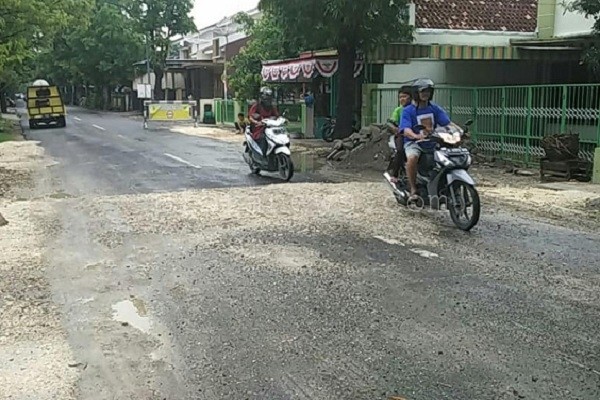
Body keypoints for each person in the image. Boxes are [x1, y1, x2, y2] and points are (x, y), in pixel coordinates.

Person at [400, 78, 453, 202]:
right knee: (412, 158)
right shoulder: (408, 111)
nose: (425, 94)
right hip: (414, 143)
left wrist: (459, 131)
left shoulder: (435, 108)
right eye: (423, 91)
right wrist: (415, 136)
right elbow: (406, 129)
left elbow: (447, 123)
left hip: (433, 142)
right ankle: (413, 189)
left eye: (428, 91)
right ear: (416, 94)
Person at [386, 85, 413, 183]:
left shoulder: (416, 109)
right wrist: (396, 129)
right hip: (402, 135)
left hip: (415, 135)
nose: (402, 99)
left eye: (404, 96)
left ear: (411, 97)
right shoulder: (398, 110)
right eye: (400, 97)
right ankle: (395, 174)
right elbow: (390, 122)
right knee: (400, 150)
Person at [248, 86, 279, 155]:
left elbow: (276, 116)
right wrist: (256, 122)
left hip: (270, 127)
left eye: (269, 97)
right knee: (263, 138)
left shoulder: (272, 107)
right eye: (266, 96)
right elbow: (251, 117)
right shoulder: (257, 106)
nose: (267, 99)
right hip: (259, 128)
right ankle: (262, 155)